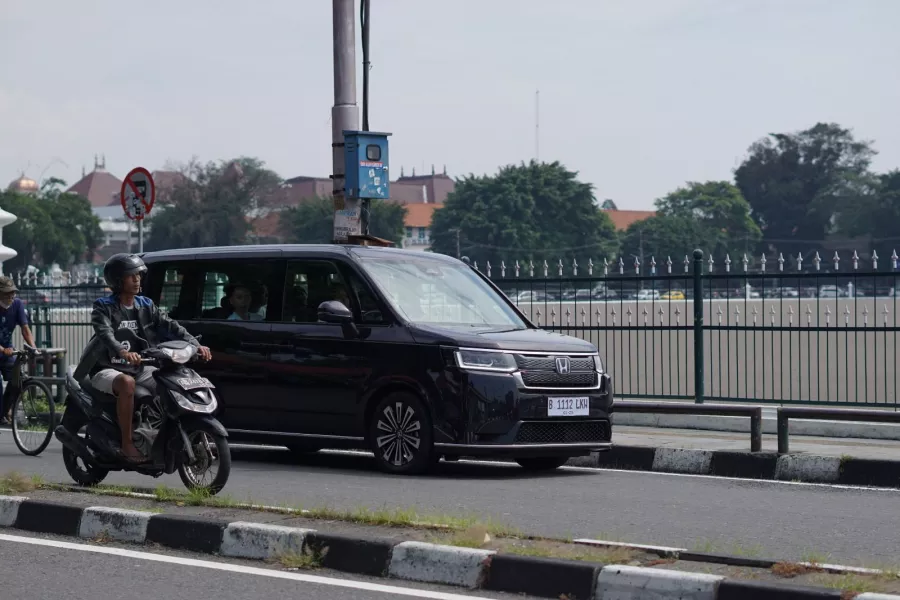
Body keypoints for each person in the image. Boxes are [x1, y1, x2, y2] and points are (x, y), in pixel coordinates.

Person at [89, 254, 211, 462]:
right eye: (131, 276)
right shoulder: (103, 306)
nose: (137, 279)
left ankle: (159, 431)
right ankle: (127, 443)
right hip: (107, 367)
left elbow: (171, 326)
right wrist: (122, 351)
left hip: (139, 366)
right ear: (118, 280)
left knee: (171, 381)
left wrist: (195, 344)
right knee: (127, 383)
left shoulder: (146, 304)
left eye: (138, 275)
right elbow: (105, 333)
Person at [0, 277, 36, 424]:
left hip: (7, 351)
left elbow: (25, 329)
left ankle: (3, 411)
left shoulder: (17, 304)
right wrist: (3, 350)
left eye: (12, 293)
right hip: (4, 350)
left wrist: (33, 347)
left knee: (17, 379)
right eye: (7, 293)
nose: (11, 296)